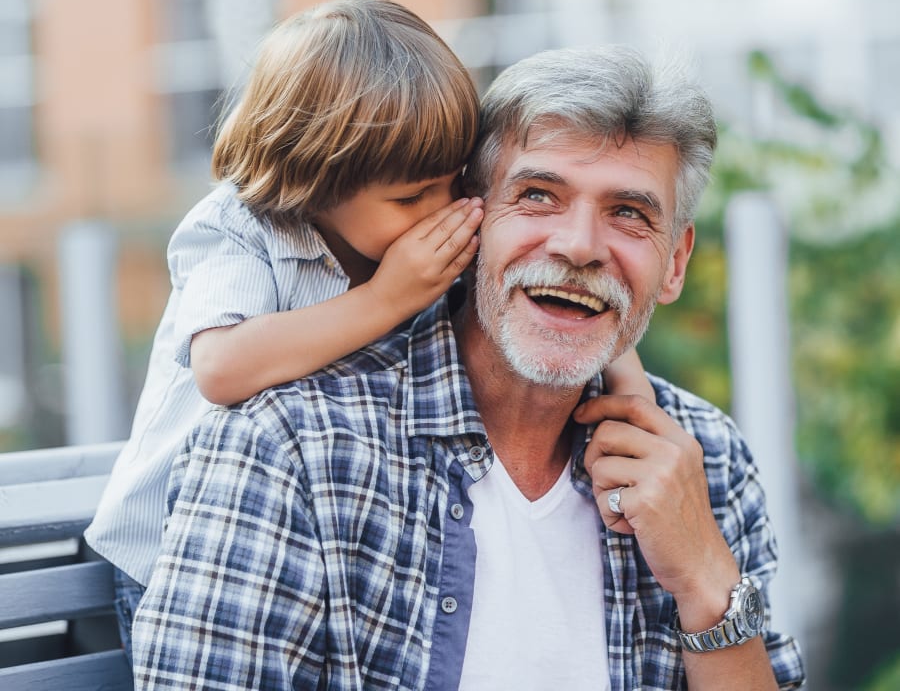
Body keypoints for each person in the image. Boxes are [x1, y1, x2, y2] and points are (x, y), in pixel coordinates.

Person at [132, 45, 805, 690]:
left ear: (675, 262)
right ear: (468, 219)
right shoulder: (292, 445)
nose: (578, 246)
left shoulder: (705, 460)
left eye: (628, 213)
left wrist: (708, 584)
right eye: (539, 195)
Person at [87, 0, 652, 662]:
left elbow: (546, 300)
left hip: (317, 524)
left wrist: (630, 391)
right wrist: (387, 299)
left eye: (451, 183)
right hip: (176, 545)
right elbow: (221, 368)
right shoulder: (239, 231)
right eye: (411, 197)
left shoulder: (409, 231)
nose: (440, 212)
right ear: (315, 180)